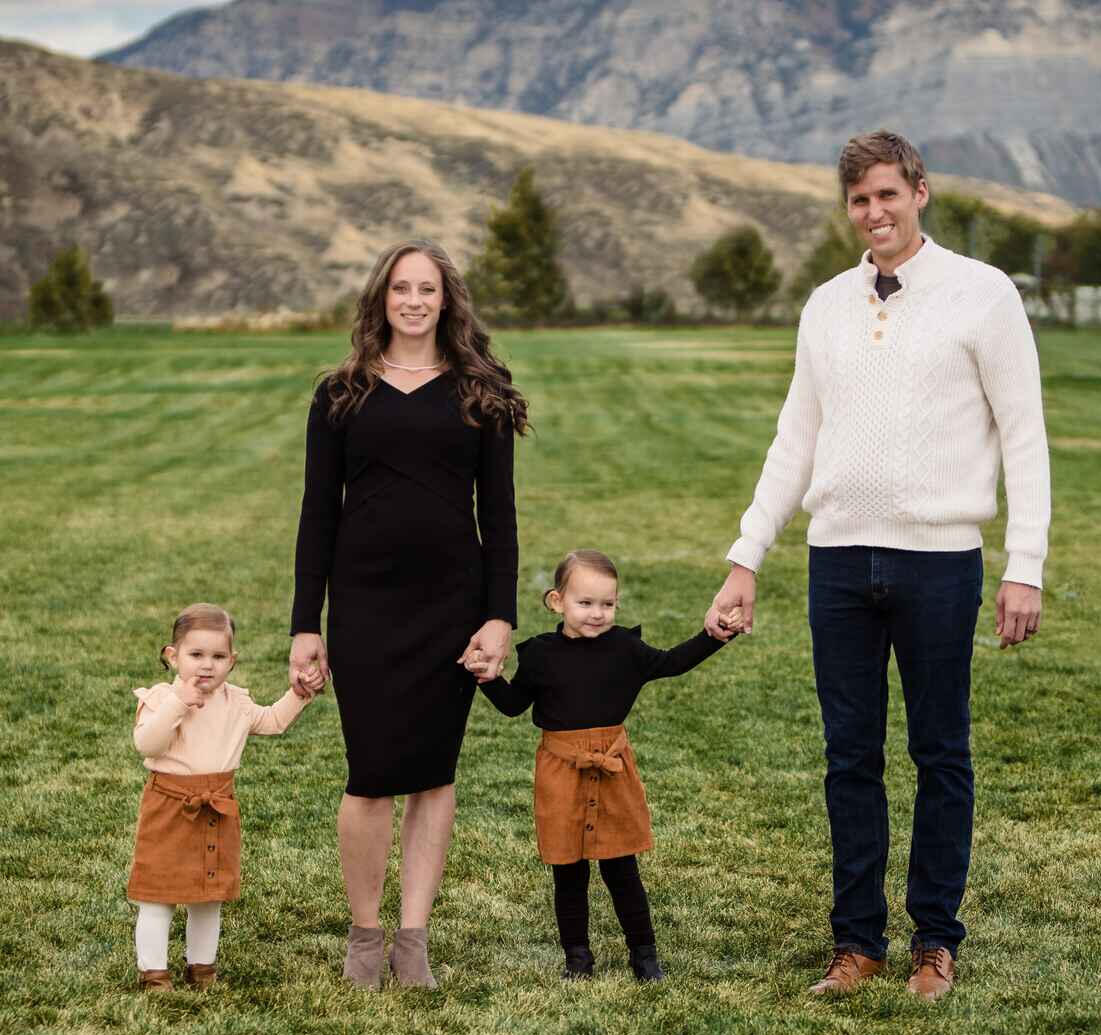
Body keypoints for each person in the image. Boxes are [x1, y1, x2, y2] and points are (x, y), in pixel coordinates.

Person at [705, 130, 1051, 1000]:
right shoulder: (825, 304)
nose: (875, 212)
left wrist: (1027, 562)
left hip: (942, 561)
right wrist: (747, 554)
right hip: (839, 561)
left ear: (921, 192)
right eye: (860, 200)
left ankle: (935, 940)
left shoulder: (984, 294)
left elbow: (1025, 434)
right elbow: (796, 437)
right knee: (848, 755)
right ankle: (855, 943)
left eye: (889, 195)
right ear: (848, 208)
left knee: (942, 752)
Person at [289, 239, 529, 989]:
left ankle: (413, 938)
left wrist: (499, 617)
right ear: (381, 299)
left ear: (447, 300)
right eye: (402, 288)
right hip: (364, 606)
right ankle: (366, 934)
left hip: (449, 608)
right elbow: (315, 516)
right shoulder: (340, 394)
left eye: (428, 288)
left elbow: (502, 518)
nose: (415, 300)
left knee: (433, 772)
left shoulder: (477, 393)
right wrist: (306, 622)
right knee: (370, 774)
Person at [471, 549, 740, 981]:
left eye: (607, 604)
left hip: (613, 769)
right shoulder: (540, 655)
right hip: (561, 772)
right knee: (569, 872)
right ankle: (577, 959)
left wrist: (714, 636)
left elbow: (673, 663)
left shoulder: (626, 650)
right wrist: (486, 677)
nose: (598, 614)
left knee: (622, 868)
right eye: (585, 603)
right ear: (557, 602)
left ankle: (645, 956)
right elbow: (512, 706)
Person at [127, 603, 316, 991]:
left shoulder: (236, 702)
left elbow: (273, 721)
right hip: (169, 805)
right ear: (173, 656)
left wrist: (297, 694)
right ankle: (154, 974)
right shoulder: (161, 698)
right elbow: (147, 742)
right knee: (157, 895)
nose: (206, 666)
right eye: (196, 655)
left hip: (218, 805)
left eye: (217, 657)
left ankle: (202, 968)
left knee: (207, 896)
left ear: (232, 661)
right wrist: (178, 705)